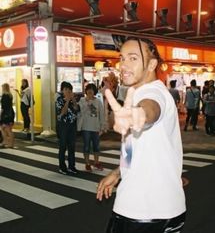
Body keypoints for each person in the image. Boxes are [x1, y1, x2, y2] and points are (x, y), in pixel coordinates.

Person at [97, 37, 186, 233]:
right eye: (122, 58)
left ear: (152, 64)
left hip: (141, 213)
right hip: (164, 208)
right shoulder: (136, 93)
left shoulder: (155, 93)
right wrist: (119, 172)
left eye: (133, 58)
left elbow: (151, 109)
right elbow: (133, 147)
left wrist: (140, 115)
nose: (124, 65)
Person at [78, 83, 105, 171]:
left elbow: (101, 115)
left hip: (95, 127)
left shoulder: (98, 102)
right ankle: (87, 163)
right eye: (88, 89)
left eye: (92, 89)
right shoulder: (82, 100)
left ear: (94, 91)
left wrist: (102, 126)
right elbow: (81, 112)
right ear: (86, 91)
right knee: (86, 146)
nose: (90, 91)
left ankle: (96, 162)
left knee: (96, 146)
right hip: (86, 127)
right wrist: (88, 102)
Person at [55, 81, 79, 175]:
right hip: (63, 126)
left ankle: (71, 166)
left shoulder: (74, 99)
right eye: (65, 89)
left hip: (72, 125)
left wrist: (73, 100)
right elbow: (63, 112)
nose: (68, 91)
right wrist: (67, 100)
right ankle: (62, 167)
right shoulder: (59, 100)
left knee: (72, 147)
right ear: (62, 90)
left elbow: (77, 109)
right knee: (63, 146)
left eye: (69, 90)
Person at [0, 83, 15, 148]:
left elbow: (3, 107)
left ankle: (10, 143)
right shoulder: (10, 95)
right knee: (4, 128)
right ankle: (5, 141)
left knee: (7, 129)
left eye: (2, 87)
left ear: (4, 88)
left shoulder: (4, 95)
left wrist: (0, 114)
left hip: (6, 114)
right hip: (10, 113)